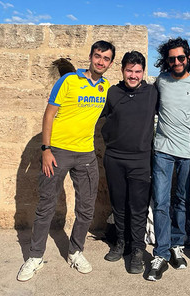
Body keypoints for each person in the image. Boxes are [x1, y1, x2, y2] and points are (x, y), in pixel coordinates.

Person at [17, 40, 115, 282]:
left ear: (111, 63)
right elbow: (49, 113)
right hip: (58, 151)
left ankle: (75, 251)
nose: (101, 62)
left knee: (86, 207)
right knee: (46, 206)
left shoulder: (106, 87)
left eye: (106, 59)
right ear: (91, 57)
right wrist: (46, 149)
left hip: (86, 154)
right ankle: (35, 256)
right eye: (97, 56)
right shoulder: (68, 81)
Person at [147, 37, 190, 281]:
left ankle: (177, 245)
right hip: (162, 150)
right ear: (167, 61)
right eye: (172, 59)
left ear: (188, 58)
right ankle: (160, 252)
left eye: (181, 57)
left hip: (188, 152)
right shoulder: (161, 81)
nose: (177, 62)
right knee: (161, 201)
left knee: (182, 200)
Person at [101, 51, 159, 275]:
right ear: (122, 70)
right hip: (114, 158)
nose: (133, 75)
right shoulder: (113, 92)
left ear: (143, 72)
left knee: (138, 208)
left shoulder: (152, 92)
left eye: (137, 71)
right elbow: (92, 114)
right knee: (118, 205)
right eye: (129, 71)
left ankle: (137, 250)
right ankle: (121, 243)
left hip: (140, 159)